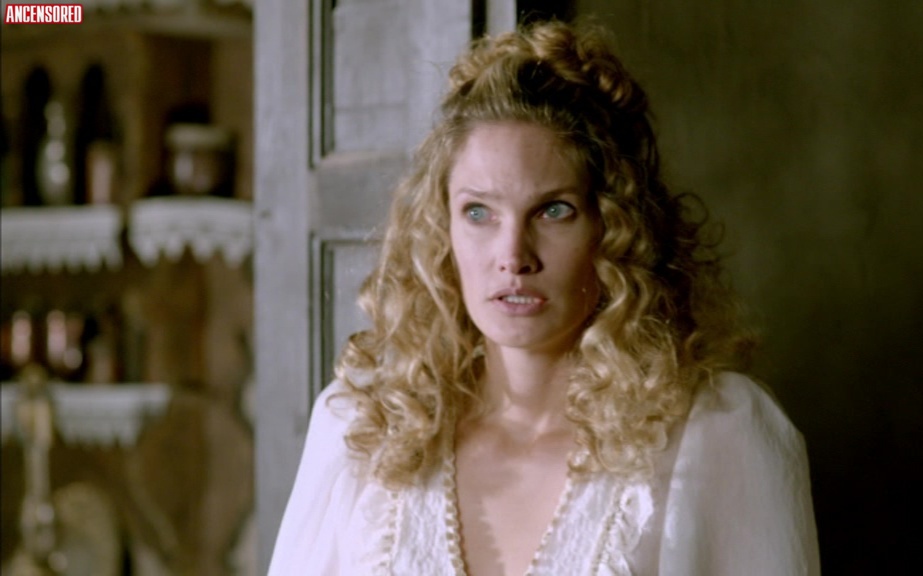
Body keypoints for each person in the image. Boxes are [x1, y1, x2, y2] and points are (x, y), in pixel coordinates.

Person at [269, 20, 819, 575]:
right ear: (441, 229)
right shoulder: (362, 428)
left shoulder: (717, 433)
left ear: (614, 228)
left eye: (554, 211)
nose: (513, 255)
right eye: (479, 212)